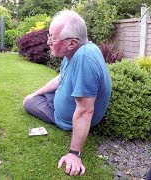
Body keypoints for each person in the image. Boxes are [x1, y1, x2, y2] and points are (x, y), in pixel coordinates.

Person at [23, 10, 111, 176]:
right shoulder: (73, 53)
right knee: (34, 98)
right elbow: (60, 79)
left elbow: (85, 110)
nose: (48, 42)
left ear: (71, 43)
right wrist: (34, 93)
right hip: (66, 102)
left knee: (28, 104)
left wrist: (74, 154)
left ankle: (54, 112)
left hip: (67, 119)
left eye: (53, 38)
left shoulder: (84, 58)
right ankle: (45, 100)